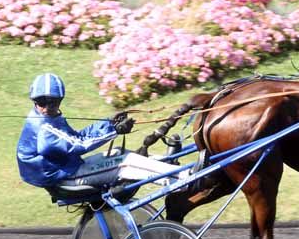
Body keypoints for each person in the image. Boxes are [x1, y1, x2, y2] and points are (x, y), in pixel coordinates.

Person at [16, 73, 181, 191]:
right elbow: (79, 145)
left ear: (60, 101)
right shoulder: (43, 126)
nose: (45, 107)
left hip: (65, 169)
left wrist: (109, 123)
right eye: (40, 102)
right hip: (62, 178)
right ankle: (182, 180)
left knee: (118, 152)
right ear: (34, 100)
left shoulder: (48, 118)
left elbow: (77, 138)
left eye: (51, 102)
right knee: (126, 162)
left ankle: (166, 164)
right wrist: (114, 131)